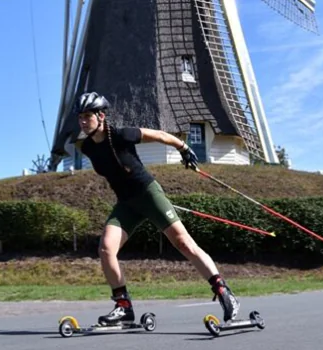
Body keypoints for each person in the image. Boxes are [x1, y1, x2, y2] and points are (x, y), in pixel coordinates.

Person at [76, 91, 240, 326]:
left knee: (183, 243)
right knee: (105, 249)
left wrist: (184, 148)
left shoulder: (121, 135)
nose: (82, 121)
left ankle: (224, 292)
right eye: (80, 117)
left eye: (87, 116)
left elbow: (160, 135)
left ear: (101, 116)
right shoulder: (88, 148)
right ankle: (123, 306)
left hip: (148, 194)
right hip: (127, 204)